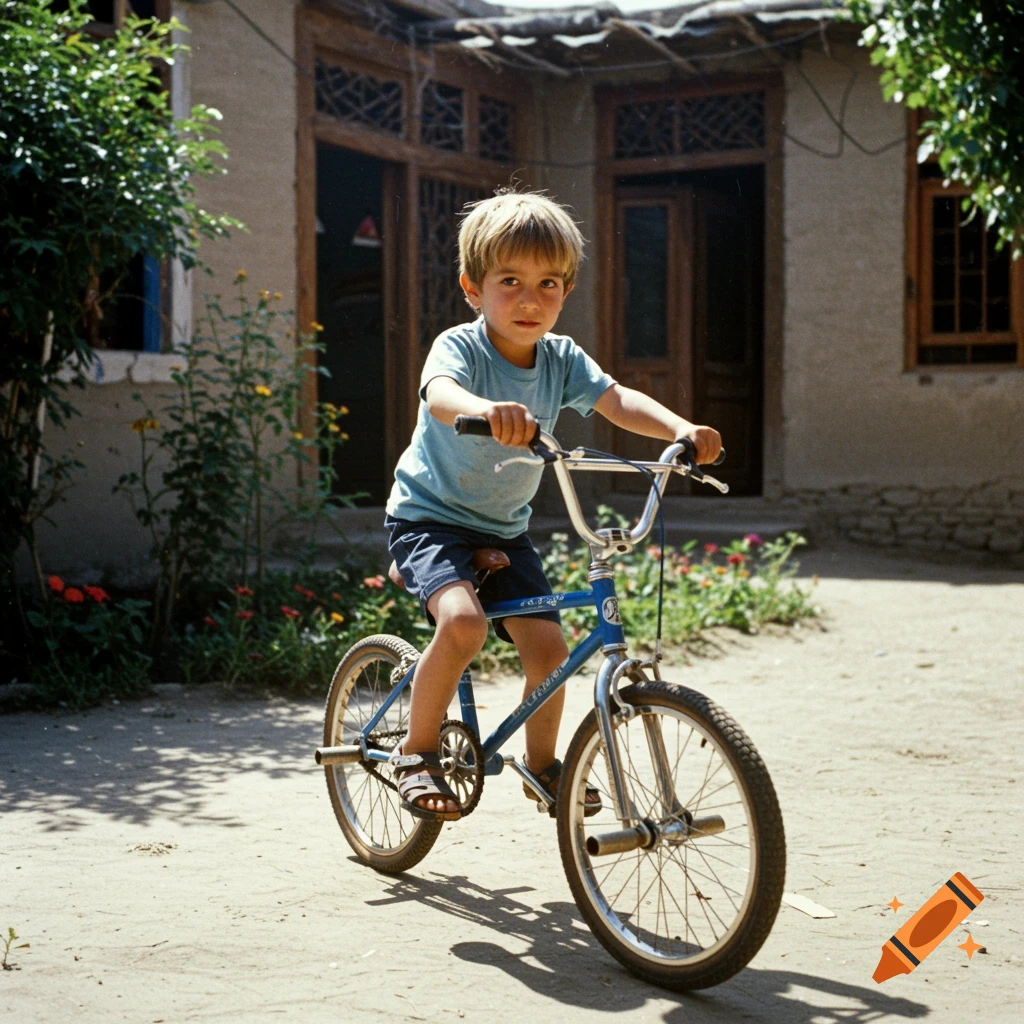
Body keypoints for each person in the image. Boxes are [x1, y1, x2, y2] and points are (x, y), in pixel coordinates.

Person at [384, 189, 721, 820]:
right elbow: (440, 396)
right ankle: (414, 751)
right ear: (472, 287)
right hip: (430, 519)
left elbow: (616, 400)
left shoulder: (561, 360)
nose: (529, 298)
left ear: (566, 292)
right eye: (509, 281)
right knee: (463, 625)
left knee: (548, 649)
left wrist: (681, 428)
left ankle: (541, 766)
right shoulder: (461, 348)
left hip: (504, 530)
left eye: (548, 283)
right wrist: (488, 411)